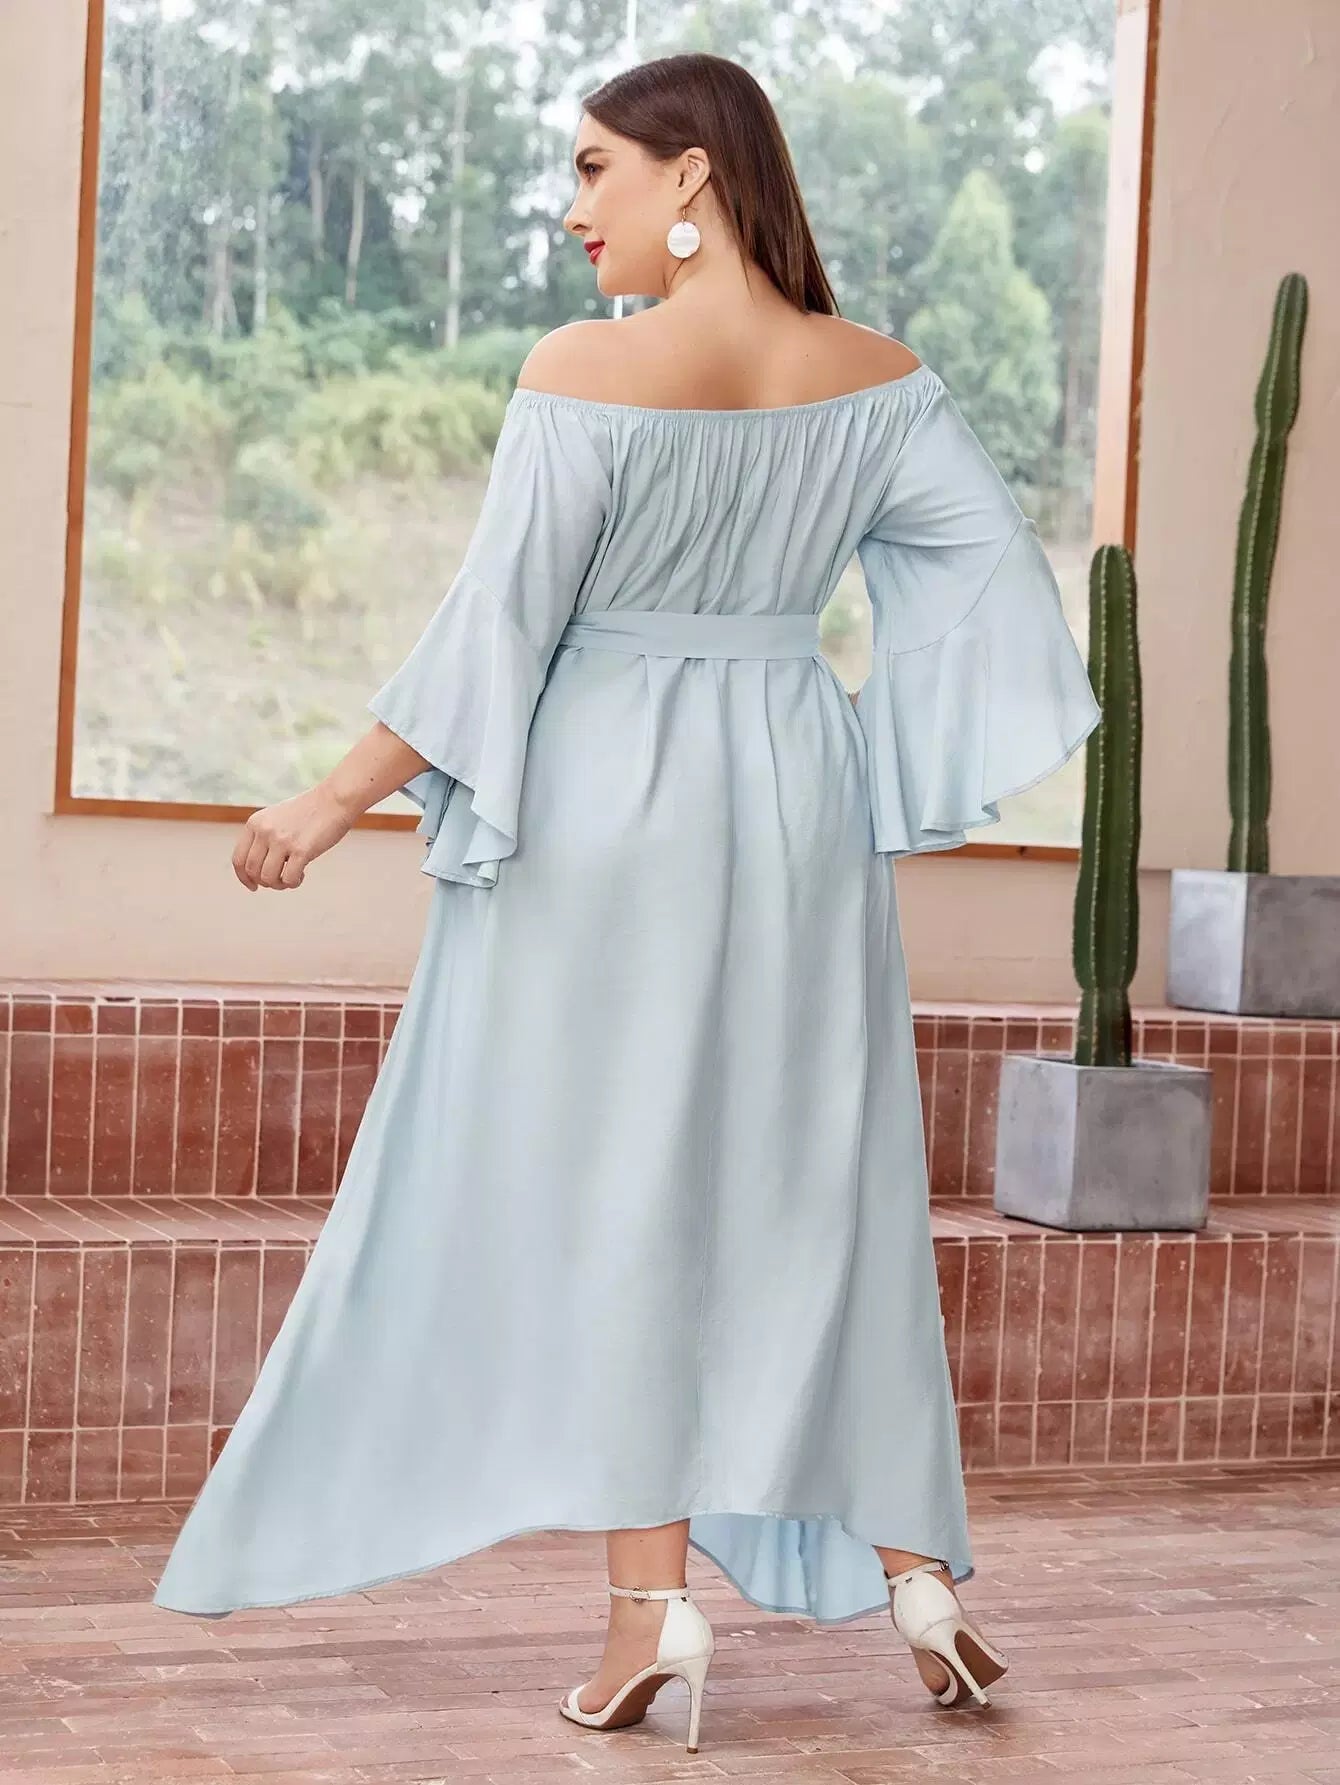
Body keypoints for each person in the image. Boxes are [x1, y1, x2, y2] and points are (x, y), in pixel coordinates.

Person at [150, 52, 1101, 1755]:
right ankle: (918, 1576)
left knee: (623, 1203)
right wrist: (874, 737)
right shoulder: (879, 380)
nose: (572, 204)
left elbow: (500, 621)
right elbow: (985, 577)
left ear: (692, 176)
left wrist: (331, 799)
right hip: (794, 792)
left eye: (594, 167)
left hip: (606, 801)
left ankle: (648, 1606)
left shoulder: (586, 370)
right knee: (822, 1183)